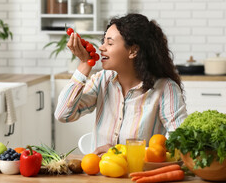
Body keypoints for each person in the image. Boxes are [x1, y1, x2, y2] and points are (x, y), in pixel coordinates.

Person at [54, 13, 187, 157]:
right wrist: (84, 65)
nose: (101, 48)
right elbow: (63, 115)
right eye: (103, 41)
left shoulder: (165, 89)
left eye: (109, 43)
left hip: (138, 175)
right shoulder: (102, 80)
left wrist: (125, 153)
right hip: (101, 175)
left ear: (133, 50)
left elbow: (181, 142)